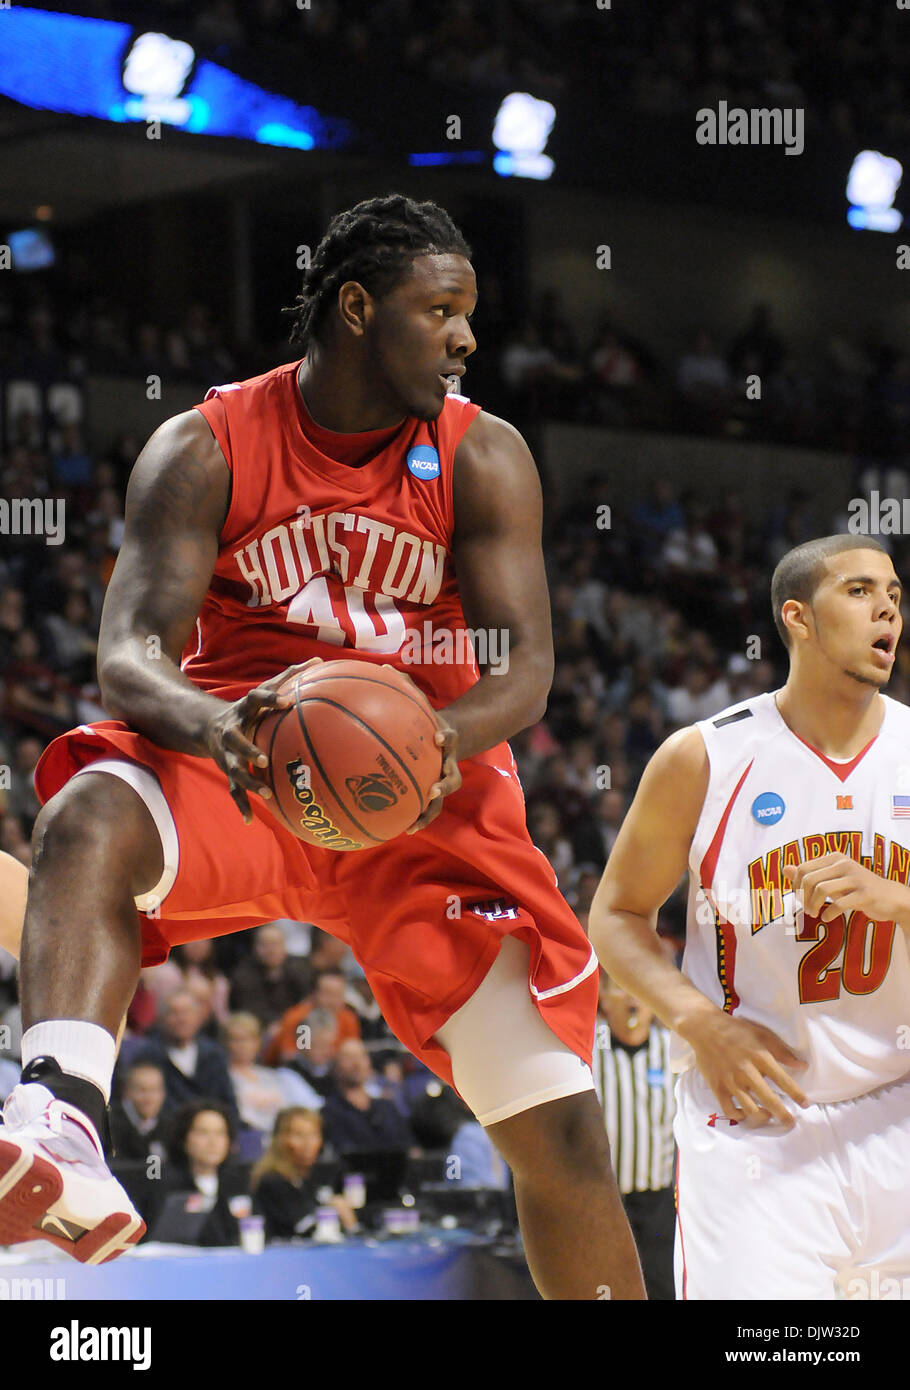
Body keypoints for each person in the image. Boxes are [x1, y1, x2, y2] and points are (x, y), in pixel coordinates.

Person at [1, 195, 643, 1297]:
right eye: (439, 309)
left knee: (565, 1141)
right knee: (89, 812)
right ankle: (59, 1120)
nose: (465, 338)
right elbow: (128, 655)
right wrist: (213, 725)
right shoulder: (204, 446)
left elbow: (523, 670)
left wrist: (437, 739)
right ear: (356, 306)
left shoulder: (482, 453)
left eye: (468, 314)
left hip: (422, 795)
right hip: (244, 761)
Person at [590, 534, 910, 1300]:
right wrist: (699, 1023)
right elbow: (617, 913)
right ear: (797, 617)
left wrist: (900, 899)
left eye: (894, 594)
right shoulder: (704, 757)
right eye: (861, 591)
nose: (888, 609)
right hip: (756, 1121)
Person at [593, 973, 676, 1300]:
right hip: (603, 1202)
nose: (632, 998)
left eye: (638, 989)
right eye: (620, 988)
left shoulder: (671, 1050)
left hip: (657, 1200)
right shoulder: (587, 1046)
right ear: (603, 997)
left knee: (661, 1288)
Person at [150, 1100, 251, 1247]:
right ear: (183, 1138)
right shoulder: (166, 1187)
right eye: (203, 1133)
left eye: (220, 1133)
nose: (213, 1142)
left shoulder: (239, 1183)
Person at [251, 1107, 357, 1242]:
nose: (308, 1143)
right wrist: (341, 1216)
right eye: (299, 1135)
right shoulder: (271, 1182)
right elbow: (304, 1230)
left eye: (313, 1134)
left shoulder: (320, 1176)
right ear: (281, 1139)